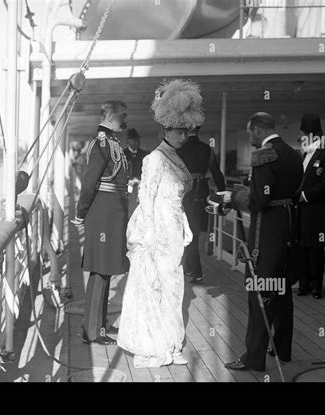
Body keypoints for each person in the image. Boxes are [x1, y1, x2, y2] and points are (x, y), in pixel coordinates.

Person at [118, 79, 204, 368]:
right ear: (165, 130)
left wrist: (182, 227)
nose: (184, 135)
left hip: (175, 229)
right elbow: (146, 197)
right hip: (160, 233)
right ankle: (156, 345)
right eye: (179, 131)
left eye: (186, 130)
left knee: (175, 288)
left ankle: (172, 343)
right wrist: (150, 236)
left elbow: (182, 193)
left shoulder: (175, 157)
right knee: (157, 288)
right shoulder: (155, 159)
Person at [219, 112, 303, 372]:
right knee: (281, 289)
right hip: (288, 229)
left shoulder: (264, 155)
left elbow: (259, 202)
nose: (249, 138)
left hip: (266, 233)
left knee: (260, 293)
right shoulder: (293, 154)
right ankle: (283, 349)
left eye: (249, 132)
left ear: (257, 129)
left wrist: (234, 198)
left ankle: (253, 359)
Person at [73, 100, 129, 345]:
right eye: (120, 117)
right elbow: (89, 184)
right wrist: (80, 214)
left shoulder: (112, 143)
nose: (124, 121)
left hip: (112, 214)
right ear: (107, 116)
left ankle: (99, 327)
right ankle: (91, 331)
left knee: (105, 272)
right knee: (99, 273)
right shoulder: (101, 144)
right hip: (102, 215)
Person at [296, 113, 325, 299]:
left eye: (302, 134)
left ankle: (316, 287)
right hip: (303, 212)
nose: (300, 138)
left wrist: (304, 195)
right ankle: (303, 284)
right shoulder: (305, 155)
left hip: (317, 211)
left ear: (312, 135)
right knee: (303, 248)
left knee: (316, 250)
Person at [177, 126, 226, 284]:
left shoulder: (179, 148)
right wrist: (223, 193)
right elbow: (217, 173)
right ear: (198, 130)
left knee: (187, 231)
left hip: (184, 192)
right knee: (195, 232)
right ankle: (189, 267)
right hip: (201, 192)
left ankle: (195, 270)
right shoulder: (207, 149)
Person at [123, 128, 149, 217]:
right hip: (126, 185)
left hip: (141, 185)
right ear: (128, 142)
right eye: (134, 141)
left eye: (137, 140)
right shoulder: (122, 155)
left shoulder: (145, 155)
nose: (137, 143)